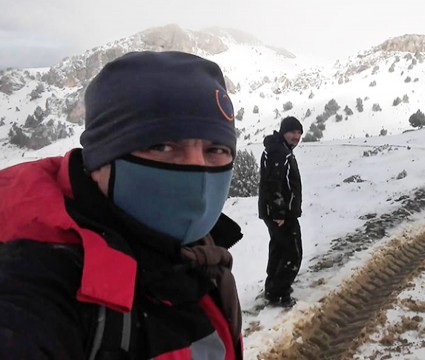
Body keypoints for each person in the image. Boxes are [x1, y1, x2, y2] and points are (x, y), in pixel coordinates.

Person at [0, 51, 244, 359]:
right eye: (162, 145)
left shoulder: (200, 258)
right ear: (101, 160)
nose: (197, 169)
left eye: (216, 149)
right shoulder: (34, 277)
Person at [258, 116, 303, 307]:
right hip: (280, 212)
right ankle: (279, 293)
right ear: (284, 132)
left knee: (279, 248)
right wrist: (279, 213)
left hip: (278, 211)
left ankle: (273, 288)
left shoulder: (281, 150)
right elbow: (273, 183)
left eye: (299, 133)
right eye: (293, 132)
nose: (297, 136)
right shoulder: (278, 152)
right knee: (292, 252)